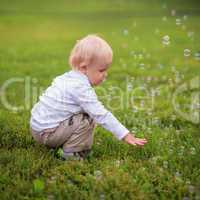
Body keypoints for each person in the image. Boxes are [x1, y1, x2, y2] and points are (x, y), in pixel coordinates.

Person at [30, 34, 147, 160]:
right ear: (84, 67)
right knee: (88, 118)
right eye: (101, 70)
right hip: (48, 133)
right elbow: (101, 114)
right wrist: (125, 135)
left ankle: (66, 143)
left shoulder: (67, 77)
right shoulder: (80, 88)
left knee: (83, 115)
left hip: (36, 128)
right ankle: (72, 154)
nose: (105, 75)